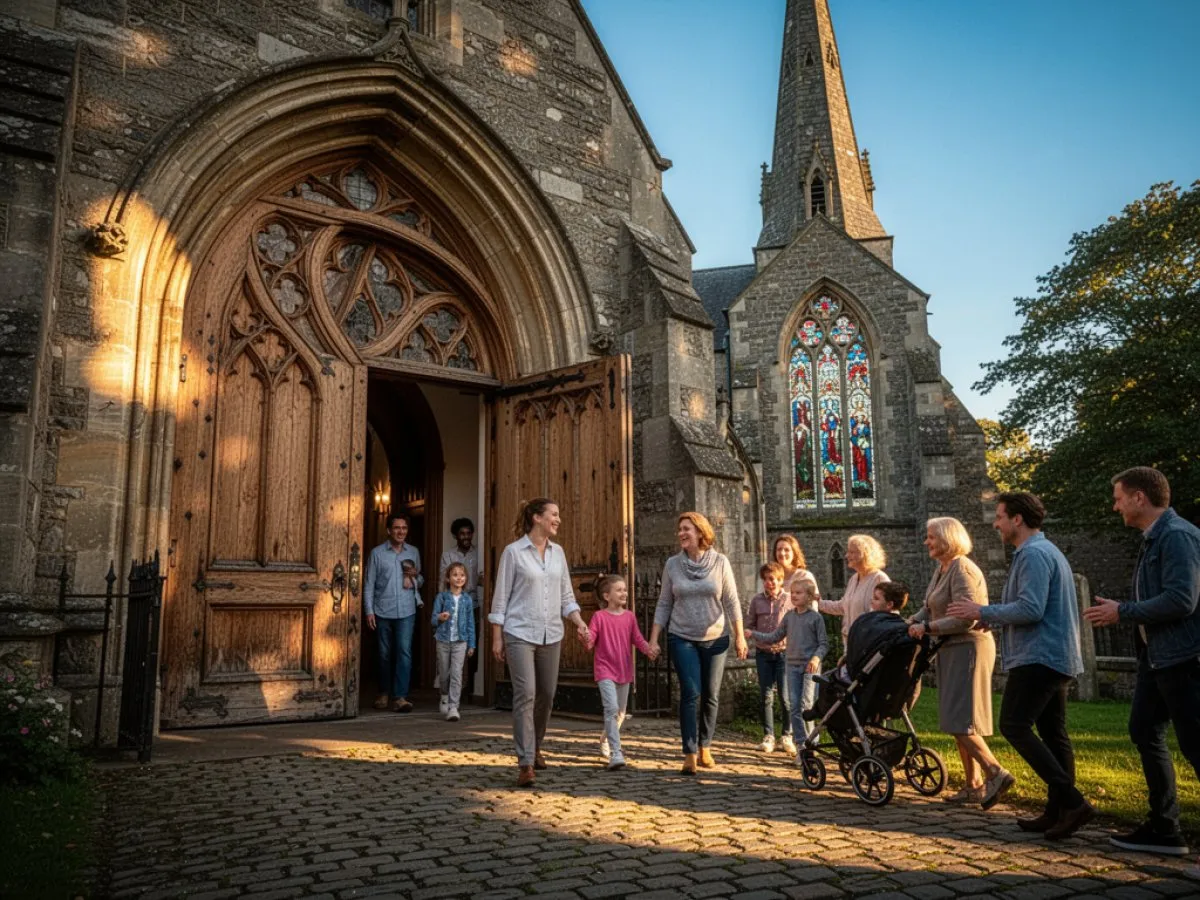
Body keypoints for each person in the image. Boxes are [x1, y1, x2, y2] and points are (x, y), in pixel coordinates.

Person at [949, 493, 1090, 838]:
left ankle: (1073, 802)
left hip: (1039, 656)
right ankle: (1058, 811)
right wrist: (993, 618)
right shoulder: (1044, 551)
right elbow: (1031, 607)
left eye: (999, 516)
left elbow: (1031, 609)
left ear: (1017, 519)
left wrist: (982, 611)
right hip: (1055, 654)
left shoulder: (1033, 554)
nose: (995, 523)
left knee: (1014, 725)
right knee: (1054, 734)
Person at [1082, 468, 1200, 856]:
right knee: (1143, 729)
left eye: (1119, 498)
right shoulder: (1152, 539)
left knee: (1195, 745)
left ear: (1139, 498)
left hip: (1184, 657)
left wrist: (1123, 611)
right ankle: (1164, 828)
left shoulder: (1177, 535)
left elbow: (1182, 599)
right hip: (1158, 657)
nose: (1115, 506)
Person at [489, 498, 590, 788]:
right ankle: (525, 762)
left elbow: (567, 597)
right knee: (526, 694)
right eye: (553, 514)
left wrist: (580, 623)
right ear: (536, 517)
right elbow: (501, 597)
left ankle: (535, 746)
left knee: (546, 694)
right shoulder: (513, 552)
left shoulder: (559, 553)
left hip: (551, 633)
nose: (558, 519)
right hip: (519, 632)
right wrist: (497, 636)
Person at [910, 517, 1010, 808]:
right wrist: (910, 621)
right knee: (959, 718)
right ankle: (973, 785)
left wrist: (927, 628)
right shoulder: (942, 568)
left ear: (947, 537)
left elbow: (967, 618)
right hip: (951, 648)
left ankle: (995, 772)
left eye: (931, 537)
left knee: (960, 719)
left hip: (968, 648)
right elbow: (929, 607)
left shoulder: (963, 569)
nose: (926, 542)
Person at [650, 511, 748, 775]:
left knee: (711, 694)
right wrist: (654, 638)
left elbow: (731, 600)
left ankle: (706, 746)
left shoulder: (720, 562)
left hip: (716, 638)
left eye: (687, 529)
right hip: (682, 636)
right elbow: (664, 603)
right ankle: (690, 752)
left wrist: (739, 635)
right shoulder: (672, 565)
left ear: (700, 532)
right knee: (690, 692)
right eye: (680, 529)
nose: (681, 533)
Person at [746, 577, 827, 757]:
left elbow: (823, 644)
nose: (794, 595)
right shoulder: (789, 617)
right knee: (794, 707)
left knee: (806, 705)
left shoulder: (816, 618)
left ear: (809, 596)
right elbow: (775, 636)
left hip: (809, 668)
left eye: (799, 593)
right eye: (793, 593)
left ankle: (812, 744)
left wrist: (816, 658)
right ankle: (802, 747)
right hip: (792, 666)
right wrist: (753, 634)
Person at [585, 574, 658, 770]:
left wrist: (649, 650)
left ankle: (605, 738)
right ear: (606, 596)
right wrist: (585, 637)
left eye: (625, 590)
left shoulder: (629, 617)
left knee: (620, 714)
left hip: (624, 670)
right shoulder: (599, 617)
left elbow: (637, 639)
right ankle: (616, 754)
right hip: (605, 670)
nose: (624, 593)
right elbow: (590, 642)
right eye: (619, 590)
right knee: (611, 709)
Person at [364, 513, 423, 713]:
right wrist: (369, 611)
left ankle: (400, 697)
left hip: (407, 609)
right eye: (397, 528)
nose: (401, 532)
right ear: (389, 530)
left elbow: (420, 580)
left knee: (404, 652)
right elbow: (369, 584)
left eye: (404, 528)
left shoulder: (413, 552)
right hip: (382, 610)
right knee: (384, 654)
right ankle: (383, 692)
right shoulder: (377, 553)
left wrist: (415, 578)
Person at [746, 562, 795, 756]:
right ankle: (768, 736)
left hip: (783, 653)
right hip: (763, 654)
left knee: (785, 697)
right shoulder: (757, 601)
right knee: (766, 696)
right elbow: (750, 624)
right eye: (766, 579)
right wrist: (749, 635)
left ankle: (787, 735)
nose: (769, 583)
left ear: (781, 580)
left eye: (773, 579)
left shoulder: (789, 600)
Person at [819, 534, 890, 649]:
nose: (846, 555)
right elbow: (843, 606)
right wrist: (819, 603)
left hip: (870, 646)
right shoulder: (854, 579)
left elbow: (888, 613)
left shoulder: (879, 579)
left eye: (851, 552)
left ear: (865, 554)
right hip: (851, 645)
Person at [439, 518, 483, 698]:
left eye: (469, 533)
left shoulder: (479, 553)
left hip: (473, 605)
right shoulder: (448, 555)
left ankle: (470, 687)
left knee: (472, 644)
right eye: (462, 534)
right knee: (453, 645)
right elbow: (443, 582)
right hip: (453, 606)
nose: (466, 537)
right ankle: (450, 687)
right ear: (455, 536)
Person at [432, 562, 476, 722]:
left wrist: (471, 644)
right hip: (443, 640)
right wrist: (440, 617)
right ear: (448, 578)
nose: (459, 578)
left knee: (457, 674)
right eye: (455, 575)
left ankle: (453, 707)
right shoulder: (441, 597)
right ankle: (444, 695)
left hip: (460, 641)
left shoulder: (467, 600)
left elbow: (471, 623)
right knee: (444, 674)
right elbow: (433, 619)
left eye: (462, 575)